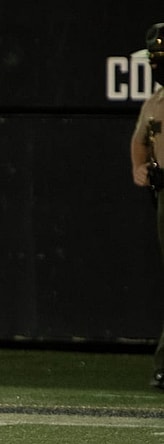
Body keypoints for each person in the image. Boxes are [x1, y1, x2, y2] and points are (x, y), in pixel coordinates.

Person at [130, 22, 164, 390]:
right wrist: (139, 166)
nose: (156, 65)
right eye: (153, 59)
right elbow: (140, 140)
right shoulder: (155, 101)